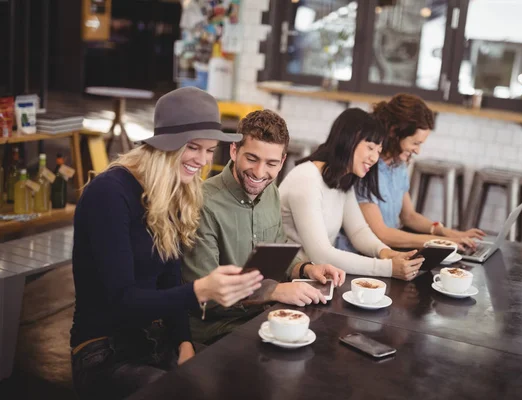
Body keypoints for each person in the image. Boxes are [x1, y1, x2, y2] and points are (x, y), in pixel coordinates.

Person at [70, 87, 263, 400]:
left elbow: (169, 281)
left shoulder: (175, 192)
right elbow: (121, 300)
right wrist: (200, 291)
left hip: (153, 343)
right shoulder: (109, 193)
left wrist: (183, 343)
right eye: (193, 147)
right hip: (103, 354)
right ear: (167, 145)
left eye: (209, 150)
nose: (202, 161)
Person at [183, 109, 346, 345]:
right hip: (216, 332)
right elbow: (205, 295)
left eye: (271, 163)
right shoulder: (202, 204)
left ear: (282, 162)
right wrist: (272, 291)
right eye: (251, 158)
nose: (259, 173)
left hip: (262, 317)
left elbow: (276, 257)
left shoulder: (270, 192)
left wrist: (306, 269)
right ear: (234, 150)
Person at [278, 108, 424, 280]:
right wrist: (388, 268)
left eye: (378, 150)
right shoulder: (307, 180)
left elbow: (358, 231)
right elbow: (322, 255)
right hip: (286, 278)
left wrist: (386, 253)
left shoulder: (343, 179)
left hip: (317, 277)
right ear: (348, 140)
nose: (374, 158)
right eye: (370, 147)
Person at [336, 94, 484, 253]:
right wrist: (443, 242)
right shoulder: (366, 168)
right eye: (415, 143)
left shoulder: (397, 165)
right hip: (359, 256)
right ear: (394, 132)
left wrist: (449, 233)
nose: (418, 151)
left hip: (387, 252)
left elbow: (409, 216)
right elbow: (382, 234)